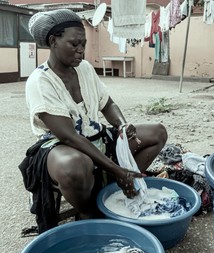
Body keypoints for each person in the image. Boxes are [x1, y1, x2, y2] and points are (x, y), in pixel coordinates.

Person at [19, 9, 168, 233]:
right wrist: (118, 169)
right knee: (75, 167)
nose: (81, 51)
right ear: (53, 41)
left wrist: (122, 125)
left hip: (96, 137)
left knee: (157, 132)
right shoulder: (40, 81)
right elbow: (69, 136)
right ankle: (89, 211)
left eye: (84, 44)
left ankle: (116, 189)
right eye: (74, 44)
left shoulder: (85, 69)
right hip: (62, 147)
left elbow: (107, 104)